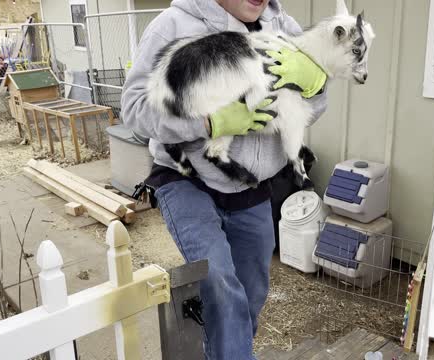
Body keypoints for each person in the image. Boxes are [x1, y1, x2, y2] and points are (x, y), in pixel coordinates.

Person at [121, 1, 328, 359]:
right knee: (218, 280)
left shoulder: (285, 27)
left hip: (251, 186)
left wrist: (314, 85)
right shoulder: (172, 26)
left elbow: (315, 105)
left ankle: (225, 351)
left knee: (250, 294)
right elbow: (135, 110)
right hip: (185, 176)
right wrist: (207, 123)